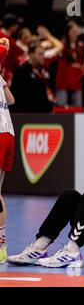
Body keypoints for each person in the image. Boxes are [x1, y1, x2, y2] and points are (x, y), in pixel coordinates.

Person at [0, 39, 15, 264]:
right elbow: (11, 100)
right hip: (8, 133)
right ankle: (1, 245)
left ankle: (1, 248)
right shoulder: (1, 79)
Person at [9, 42, 53, 113]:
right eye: (40, 54)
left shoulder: (44, 71)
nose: (43, 56)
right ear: (31, 55)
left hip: (45, 113)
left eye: (43, 54)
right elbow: (18, 95)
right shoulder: (22, 71)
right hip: (28, 114)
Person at [55, 21, 84, 107]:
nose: (75, 34)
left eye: (76, 32)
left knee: (77, 107)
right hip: (63, 83)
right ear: (67, 32)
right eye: (72, 32)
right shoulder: (61, 45)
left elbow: (83, 64)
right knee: (61, 106)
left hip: (76, 83)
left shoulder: (81, 45)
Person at [0, 14, 24, 84]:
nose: (18, 27)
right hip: (4, 73)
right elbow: (23, 55)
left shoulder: (11, 40)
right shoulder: (10, 41)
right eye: (16, 25)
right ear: (12, 26)